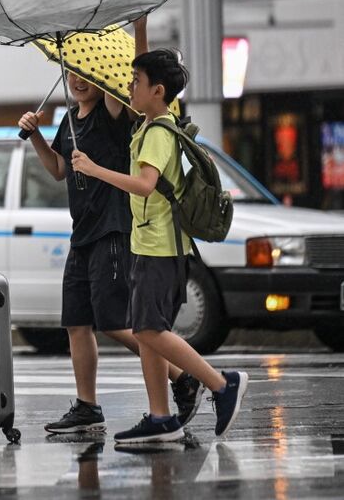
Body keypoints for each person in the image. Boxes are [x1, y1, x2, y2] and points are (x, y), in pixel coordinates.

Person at [19, 18, 204, 435]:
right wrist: (35, 137)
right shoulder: (68, 120)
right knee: (76, 321)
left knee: (116, 321)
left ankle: (182, 376)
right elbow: (59, 171)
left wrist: (140, 26)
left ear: (98, 76)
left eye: (85, 75)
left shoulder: (112, 109)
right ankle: (87, 406)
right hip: (81, 232)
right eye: (72, 73)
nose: (78, 81)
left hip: (113, 230)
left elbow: (129, 75)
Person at [71, 50, 249, 443]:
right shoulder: (147, 127)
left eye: (136, 80)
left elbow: (146, 184)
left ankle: (221, 384)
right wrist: (141, 29)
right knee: (147, 330)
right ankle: (160, 416)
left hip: (160, 250)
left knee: (149, 331)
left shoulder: (157, 133)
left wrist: (94, 169)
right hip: (147, 246)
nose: (130, 85)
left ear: (158, 90)